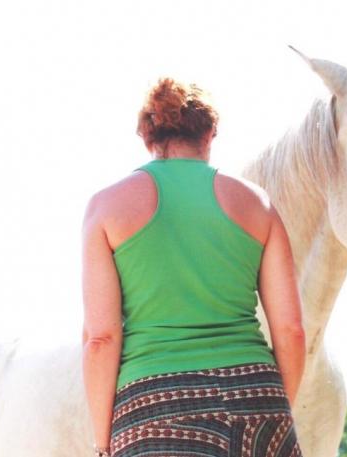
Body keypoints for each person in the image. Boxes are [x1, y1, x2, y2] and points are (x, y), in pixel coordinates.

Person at [81, 77, 306, 457]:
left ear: (146, 136)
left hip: (153, 408)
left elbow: (101, 339)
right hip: (257, 397)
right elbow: (291, 331)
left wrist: (104, 444)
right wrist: (275, 411)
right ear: (211, 133)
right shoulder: (257, 204)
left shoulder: (106, 208)